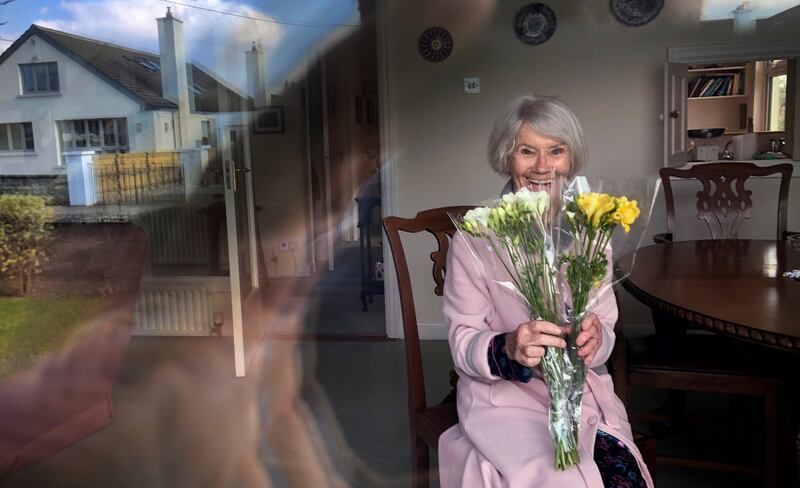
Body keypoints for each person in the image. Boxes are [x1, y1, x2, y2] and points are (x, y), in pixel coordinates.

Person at [438, 95, 654, 488]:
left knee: (616, 477)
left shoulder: (593, 231)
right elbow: (461, 339)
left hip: (582, 398)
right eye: (527, 151)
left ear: (571, 159)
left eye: (556, 151)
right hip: (505, 401)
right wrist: (507, 348)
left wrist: (594, 340)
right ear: (507, 157)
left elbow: (604, 332)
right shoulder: (475, 238)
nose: (542, 166)